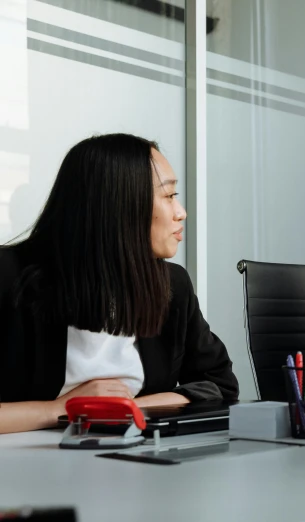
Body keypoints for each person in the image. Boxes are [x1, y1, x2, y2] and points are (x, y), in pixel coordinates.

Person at [0, 133, 239, 434]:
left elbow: (220, 385)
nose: (181, 213)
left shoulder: (170, 286)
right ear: (120, 204)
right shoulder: (10, 278)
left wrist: (129, 408)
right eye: (168, 196)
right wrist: (61, 409)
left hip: (139, 465)